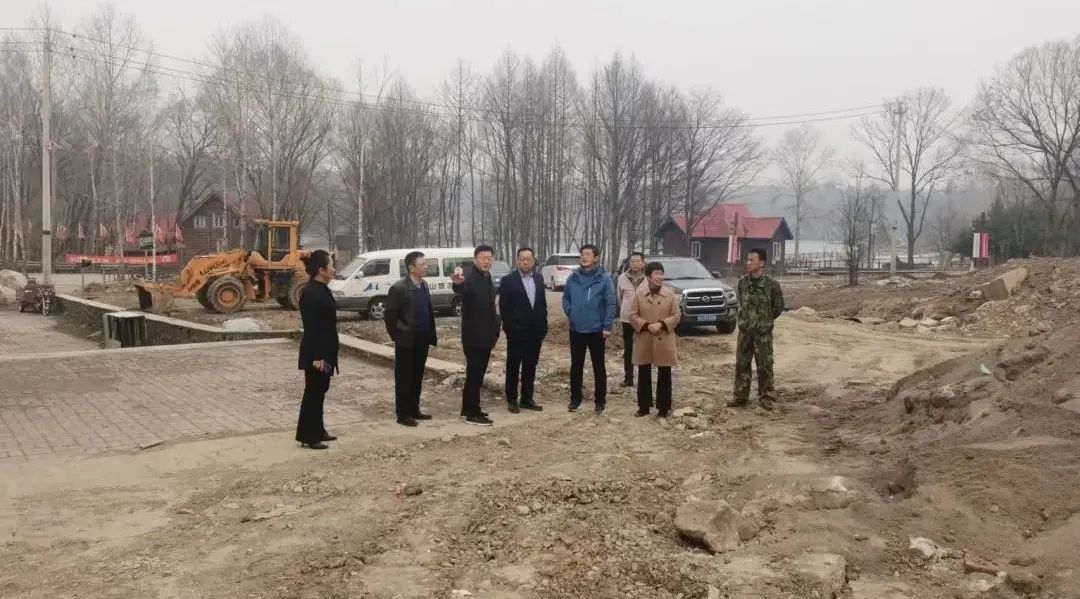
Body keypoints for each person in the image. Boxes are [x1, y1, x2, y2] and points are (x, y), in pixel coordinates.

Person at [385, 251, 438, 427]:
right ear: (411, 267)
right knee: (404, 378)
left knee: (417, 376)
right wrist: (398, 336)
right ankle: (403, 414)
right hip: (406, 340)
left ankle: (414, 409)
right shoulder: (399, 288)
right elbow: (390, 316)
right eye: (422, 264)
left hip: (422, 338)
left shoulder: (424, 285)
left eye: (426, 264)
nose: (426, 267)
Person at [561, 244, 616, 414]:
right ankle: (575, 399)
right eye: (582, 254)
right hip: (576, 328)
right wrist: (571, 312)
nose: (584, 257)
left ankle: (600, 401)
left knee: (598, 366)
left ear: (596, 258)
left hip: (597, 329)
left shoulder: (604, 279)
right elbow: (566, 298)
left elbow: (610, 303)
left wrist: (607, 325)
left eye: (588, 254)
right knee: (576, 365)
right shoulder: (573, 278)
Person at [729, 248, 785, 410]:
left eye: (751, 260)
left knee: (765, 365)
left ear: (761, 263)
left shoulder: (772, 285)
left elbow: (778, 307)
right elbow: (741, 303)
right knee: (742, 364)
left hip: (762, 334)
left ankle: (766, 397)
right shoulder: (743, 283)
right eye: (747, 260)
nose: (748, 263)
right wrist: (745, 321)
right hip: (745, 332)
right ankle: (740, 396)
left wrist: (765, 321)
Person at [452, 245, 501, 426]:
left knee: (478, 375)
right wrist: (457, 283)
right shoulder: (470, 276)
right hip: (474, 337)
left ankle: (470, 408)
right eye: (483, 258)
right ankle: (471, 412)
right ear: (475, 259)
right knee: (474, 375)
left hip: (486, 336)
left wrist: (496, 328)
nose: (486, 261)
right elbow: (460, 288)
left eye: (489, 258)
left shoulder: (487, 277)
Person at [296, 250, 339, 450]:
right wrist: (317, 357)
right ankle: (309, 436)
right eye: (331, 266)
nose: (333, 269)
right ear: (321, 270)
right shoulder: (311, 293)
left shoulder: (322, 288)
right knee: (313, 393)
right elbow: (312, 327)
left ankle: (318, 430)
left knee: (320, 391)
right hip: (317, 354)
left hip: (327, 351)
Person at [629, 262, 681, 418]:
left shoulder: (670, 294)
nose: (659, 277)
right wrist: (646, 325)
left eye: (661, 273)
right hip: (644, 337)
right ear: (648, 276)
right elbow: (632, 315)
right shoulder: (639, 294)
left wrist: (662, 324)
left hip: (663, 337)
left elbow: (676, 316)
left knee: (665, 373)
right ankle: (643, 407)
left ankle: (664, 408)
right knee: (644, 372)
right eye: (656, 273)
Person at [499, 247, 547, 413]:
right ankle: (512, 399)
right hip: (516, 332)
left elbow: (542, 304)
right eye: (522, 259)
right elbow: (504, 308)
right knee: (513, 366)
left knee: (530, 366)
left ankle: (527, 398)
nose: (525, 262)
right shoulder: (508, 280)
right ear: (517, 261)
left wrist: (544, 326)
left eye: (529, 259)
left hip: (535, 332)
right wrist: (510, 329)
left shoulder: (539, 278)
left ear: (533, 261)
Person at [617, 252, 647, 387]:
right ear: (629, 263)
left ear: (643, 263)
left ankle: (643, 378)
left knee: (643, 348)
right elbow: (619, 298)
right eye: (632, 261)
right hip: (627, 319)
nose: (635, 264)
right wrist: (626, 309)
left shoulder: (648, 279)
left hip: (643, 319)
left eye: (637, 261)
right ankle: (628, 378)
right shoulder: (622, 278)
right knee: (628, 349)